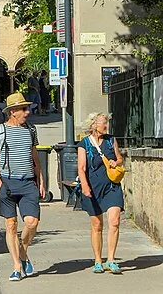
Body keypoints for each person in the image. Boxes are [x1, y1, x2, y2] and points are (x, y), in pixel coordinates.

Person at [0, 91, 45, 281]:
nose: (27, 112)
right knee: (11, 225)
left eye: (27, 108)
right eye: (23, 109)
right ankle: (16, 266)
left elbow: (35, 157)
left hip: (28, 181)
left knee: (32, 222)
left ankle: (23, 250)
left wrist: (41, 180)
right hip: (7, 181)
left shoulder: (31, 130)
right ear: (13, 112)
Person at [77, 112, 126, 274]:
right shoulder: (84, 144)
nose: (106, 126)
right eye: (103, 123)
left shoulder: (111, 140)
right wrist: (84, 186)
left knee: (115, 221)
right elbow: (82, 168)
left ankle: (111, 259)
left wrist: (116, 161)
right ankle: (98, 260)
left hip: (112, 186)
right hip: (93, 188)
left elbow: (120, 159)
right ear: (94, 125)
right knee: (97, 225)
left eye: (106, 122)